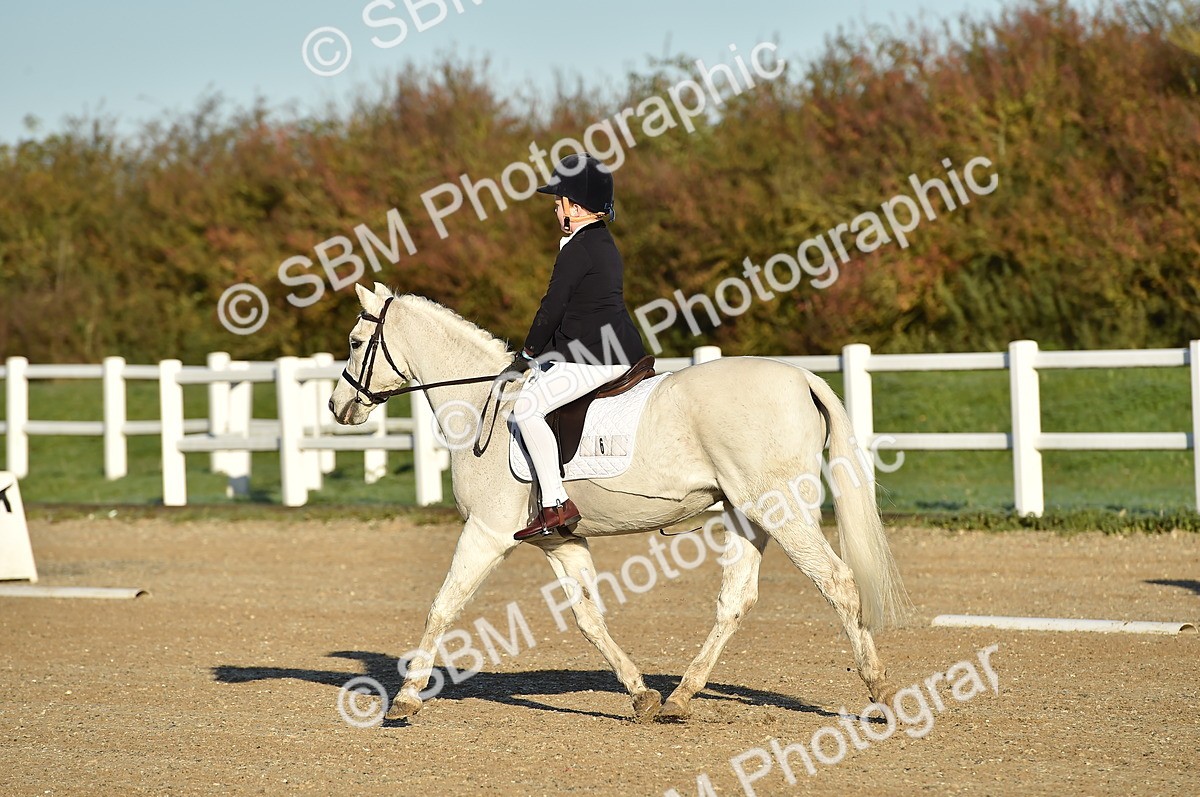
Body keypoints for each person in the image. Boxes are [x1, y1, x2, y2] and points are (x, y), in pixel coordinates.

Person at [509, 152, 647, 541]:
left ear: (577, 207)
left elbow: (553, 305)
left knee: (527, 408)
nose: (555, 211)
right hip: (610, 347)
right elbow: (578, 311)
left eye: (558, 204)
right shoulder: (598, 241)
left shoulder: (579, 247)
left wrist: (528, 354)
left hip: (596, 355)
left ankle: (555, 503)